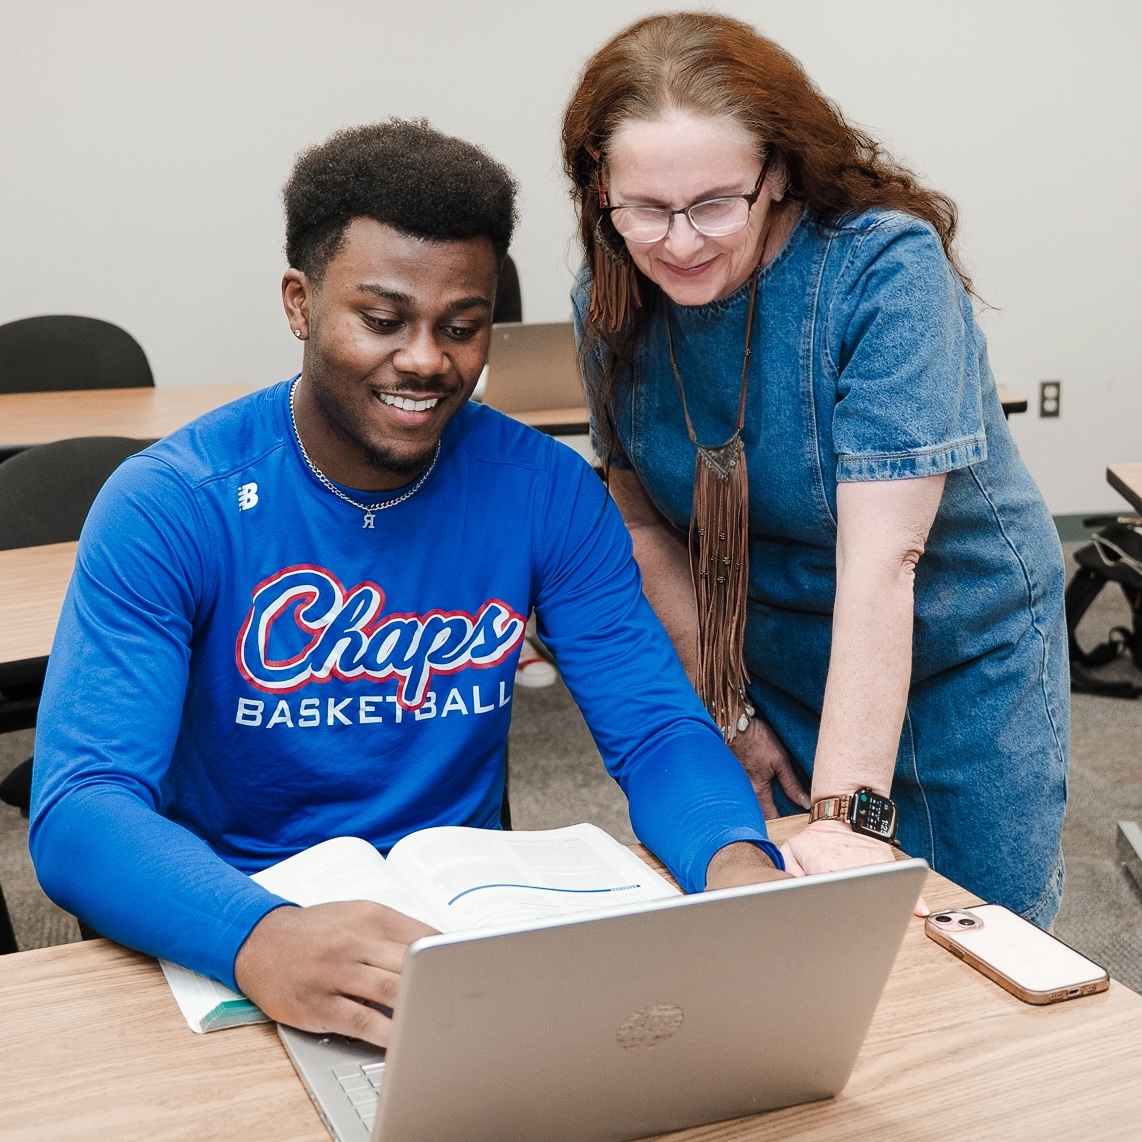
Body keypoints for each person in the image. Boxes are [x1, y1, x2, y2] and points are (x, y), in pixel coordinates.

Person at [29, 119, 786, 1047]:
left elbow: (657, 729)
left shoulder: (543, 491)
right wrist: (257, 938)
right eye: (382, 321)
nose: (427, 360)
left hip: (460, 937)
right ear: (300, 304)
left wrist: (737, 865)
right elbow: (80, 811)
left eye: (461, 327)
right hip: (230, 924)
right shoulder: (172, 504)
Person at [562, 12, 1068, 927]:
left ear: (780, 172)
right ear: (599, 188)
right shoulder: (609, 298)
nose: (678, 243)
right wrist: (729, 707)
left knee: (975, 935)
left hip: (954, 659)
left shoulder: (884, 271)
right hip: (773, 655)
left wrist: (845, 813)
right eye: (643, 209)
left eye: (716, 204)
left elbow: (887, 561)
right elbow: (642, 521)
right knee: (808, 942)